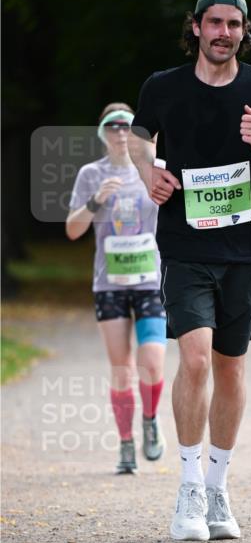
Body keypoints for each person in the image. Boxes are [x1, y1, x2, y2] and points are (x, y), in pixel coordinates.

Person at [129, 0, 251, 543]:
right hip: (185, 248)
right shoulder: (163, 86)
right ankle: (187, 487)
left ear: (244, 31)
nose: (223, 33)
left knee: (231, 367)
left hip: (244, 251)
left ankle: (217, 486)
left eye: (233, 24)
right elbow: (138, 136)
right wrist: (148, 173)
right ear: (196, 27)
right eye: (214, 22)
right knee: (196, 359)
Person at [66, 102, 167, 474]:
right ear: (102, 132)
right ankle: (126, 443)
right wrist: (96, 201)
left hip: (150, 281)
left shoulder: (156, 168)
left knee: (152, 363)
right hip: (109, 284)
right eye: (113, 126)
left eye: (128, 126)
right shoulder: (91, 174)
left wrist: (153, 157)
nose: (121, 132)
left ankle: (150, 419)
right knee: (121, 368)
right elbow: (73, 230)